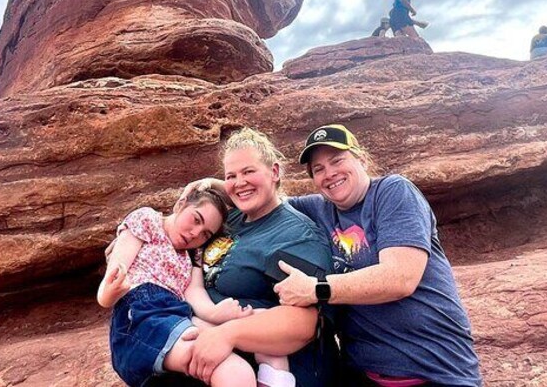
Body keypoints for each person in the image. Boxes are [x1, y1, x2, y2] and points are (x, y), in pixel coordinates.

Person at [277, 124, 483, 386]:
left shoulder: (393, 192)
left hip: (434, 372)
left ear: (361, 158)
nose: (329, 174)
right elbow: (263, 199)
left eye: (337, 160)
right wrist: (214, 184)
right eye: (318, 169)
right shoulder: (318, 209)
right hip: (362, 373)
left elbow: (400, 278)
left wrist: (316, 289)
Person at [167, 128, 338, 387]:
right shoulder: (230, 219)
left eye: (249, 172)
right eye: (231, 176)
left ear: (275, 172)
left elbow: (305, 324)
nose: (239, 182)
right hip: (210, 362)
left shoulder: (294, 236)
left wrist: (228, 334)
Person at [99, 188, 286, 387]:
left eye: (205, 234)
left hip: (179, 314)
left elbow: (194, 292)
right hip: (142, 317)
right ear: (181, 204)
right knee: (235, 372)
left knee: (265, 331)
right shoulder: (149, 220)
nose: (196, 233)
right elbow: (116, 272)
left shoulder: (193, 254)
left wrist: (216, 313)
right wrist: (108, 293)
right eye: (196, 219)